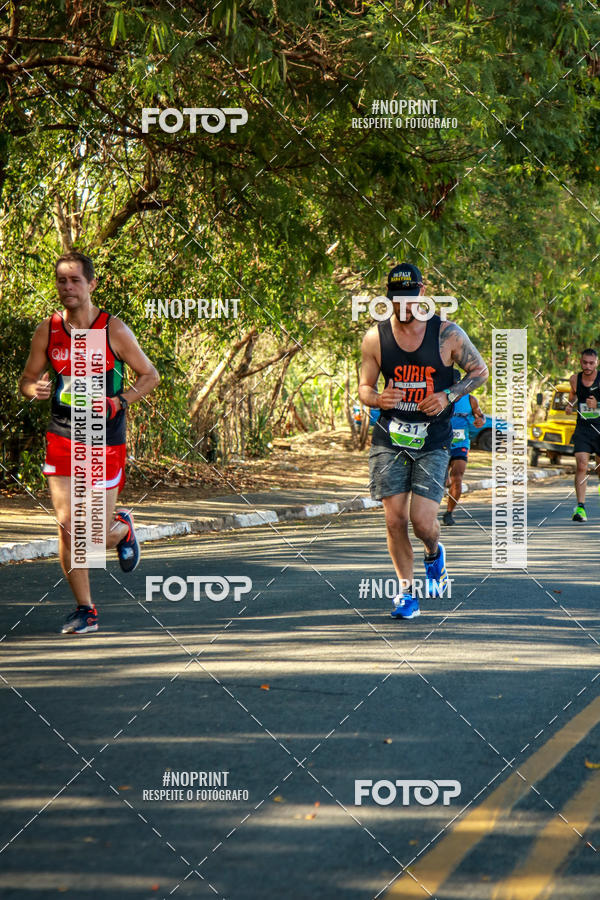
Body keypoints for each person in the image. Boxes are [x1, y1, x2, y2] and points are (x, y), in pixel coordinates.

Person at [19, 251, 160, 633]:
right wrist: (37, 389)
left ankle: (122, 529)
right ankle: (86, 610)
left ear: (92, 284)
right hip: (63, 433)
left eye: (75, 280)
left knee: (93, 537)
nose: (67, 287)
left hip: (104, 438)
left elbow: (150, 375)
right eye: (62, 281)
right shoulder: (48, 330)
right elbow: (27, 379)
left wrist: (119, 402)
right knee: (68, 526)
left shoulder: (112, 329)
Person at [358, 262, 488, 619]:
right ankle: (406, 594)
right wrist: (377, 398)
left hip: (433, 440)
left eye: (410, 297)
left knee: (421, 522)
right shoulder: (376, 338)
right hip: (390, 439)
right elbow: (364, 388)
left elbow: (479, 372)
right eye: (396, 299)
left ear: (423, 293)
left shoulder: (447, 334)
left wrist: (449, 394)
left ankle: (434, 552)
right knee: (394, 521)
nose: (404, 306)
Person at [442, 372, 485, 526]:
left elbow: (480, 416)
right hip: (440, 442)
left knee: (457, 478)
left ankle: (449, 513)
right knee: (441, 478)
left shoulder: (470, 399)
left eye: (456, 383)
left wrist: (480, 420)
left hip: (461, 444)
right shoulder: (440, 397)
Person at [565, 348, 600, 522]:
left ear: (597, 363)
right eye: (585, 362)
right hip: (583, 429)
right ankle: (581, 508)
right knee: (581, 464)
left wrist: (598, 404)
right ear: (580, 361)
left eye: (591, 363)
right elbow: (573, 396)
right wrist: (570, 405)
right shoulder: (574, 379)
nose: (587, 366)